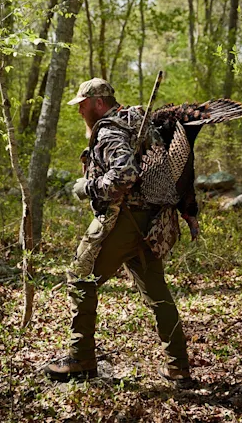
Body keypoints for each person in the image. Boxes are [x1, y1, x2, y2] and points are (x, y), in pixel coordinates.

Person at [42, 78, 193, 387]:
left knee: (80, 278)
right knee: (157, 293)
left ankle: (80, 359)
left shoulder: (110, 131)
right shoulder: (134, 123)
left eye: (82, 104)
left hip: (121, 219)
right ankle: (178, 366)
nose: (80, 110)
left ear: (98, 103)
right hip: (150, 223)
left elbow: (124, 175)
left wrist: (87, 187)